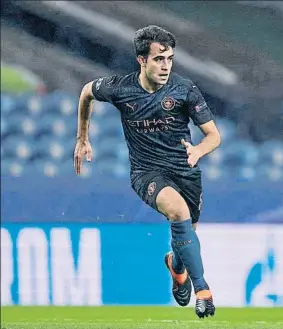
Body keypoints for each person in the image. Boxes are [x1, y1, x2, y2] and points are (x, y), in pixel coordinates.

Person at [73, 25, 221, 318]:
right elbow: (86, 92)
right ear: (142, 60)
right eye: (158, 59)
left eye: (170, 59)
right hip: (146, 172)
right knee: (178, 213)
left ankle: (177, 268)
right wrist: (82, 137)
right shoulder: (120, 88)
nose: (166, 66)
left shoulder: (184, 89)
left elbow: (214, 136)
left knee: (185, 234)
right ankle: (203, 291)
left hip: (185, 171)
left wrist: (198, 150)